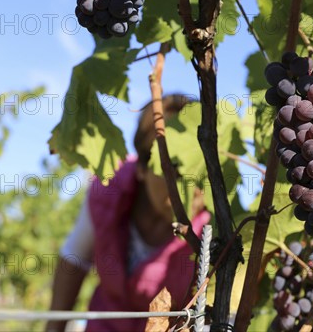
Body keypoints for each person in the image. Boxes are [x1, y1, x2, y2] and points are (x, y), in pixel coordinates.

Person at [46, 95, 210, 332]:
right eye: (174, 167)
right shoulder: (108, 189)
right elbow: (75, 258)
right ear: (142, 168)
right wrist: (54, 328)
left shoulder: (211, 230)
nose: (192, 184)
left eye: (200, 166)